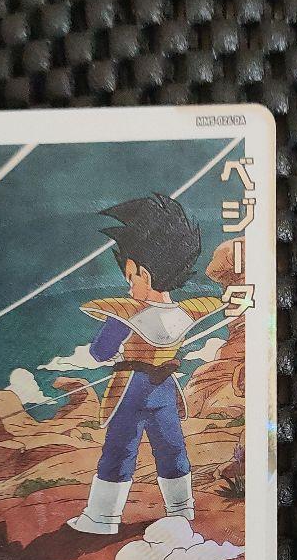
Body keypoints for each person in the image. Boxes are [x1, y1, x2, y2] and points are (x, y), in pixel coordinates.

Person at [68, 194, 223, 535]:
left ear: (145, 274)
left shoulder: (126, 312)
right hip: (165, 390)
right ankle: (181, 509)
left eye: (130, 277)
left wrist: (113, 348)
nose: (129, 286)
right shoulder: (187, 311)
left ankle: (101, 519)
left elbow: (100, 351)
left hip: (131, 390)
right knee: (171, 446)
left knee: (120, 449)